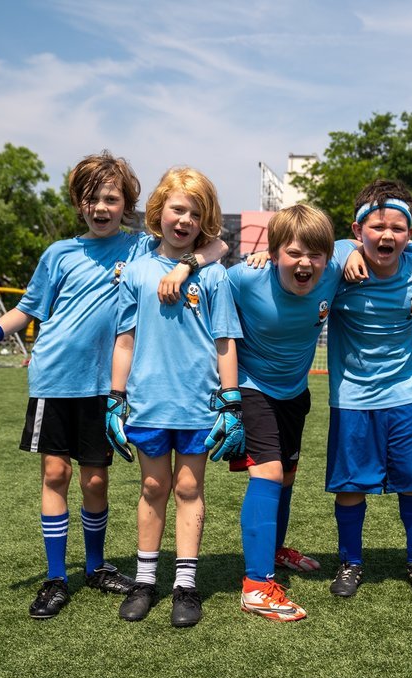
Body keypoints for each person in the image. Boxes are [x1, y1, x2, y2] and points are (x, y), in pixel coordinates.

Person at [0, 151, 225, 620]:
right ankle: (57, 577)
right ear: (78, 204)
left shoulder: (141, 248)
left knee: (96, 479)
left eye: (111, 198)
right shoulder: (59, 253)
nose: (101, 207)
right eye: (91, 199)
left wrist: (186, 267)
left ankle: (98, 567)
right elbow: (29, 308)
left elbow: (214, 246)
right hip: (56, 378)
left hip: (108, 386)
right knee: (55, 475)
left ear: (128, 204)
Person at [106, 167, 242, 628]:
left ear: (205, 222)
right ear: (158, 210)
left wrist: (231, 401)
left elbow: (225, 341)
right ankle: (145, 581)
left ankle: (185, 585)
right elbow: (124, 340)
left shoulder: (216, 276)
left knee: (189, 488)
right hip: (147, 402)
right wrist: (115, 398)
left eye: (195, 214)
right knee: (152, 487)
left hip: (198, 404)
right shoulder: (138, 271)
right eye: (177, 209)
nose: (184, 220)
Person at [226, 203, 351, 622]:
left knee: (289, 475)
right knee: (269, 474)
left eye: (315, 254)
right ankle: (257, 586)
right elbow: (205, 279)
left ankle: (274, 549)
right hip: (251, 386)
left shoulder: (333, 268)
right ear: (276, 251)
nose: (306, 263)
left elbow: (374, 241)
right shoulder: (244, 277)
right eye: (294, 252)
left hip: (295, 391)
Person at [325, 180, 412, 599]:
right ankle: (351, 562)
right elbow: (315, 245)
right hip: (352, 397)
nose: (387, 235)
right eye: (376, 227)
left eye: (398, 227)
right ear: (358, 232)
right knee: (351, 487)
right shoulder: (339, 262)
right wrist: (345, 251)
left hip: (406, 396)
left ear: (409, 234)